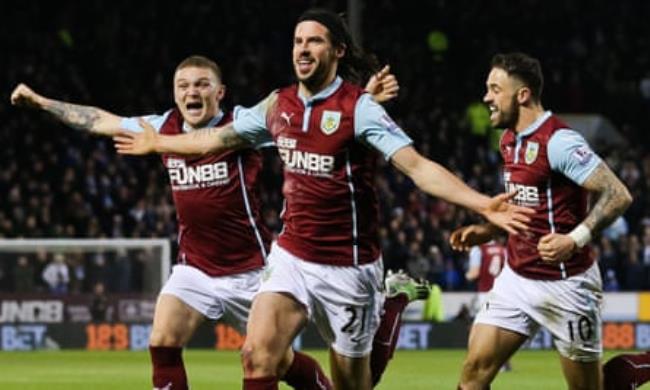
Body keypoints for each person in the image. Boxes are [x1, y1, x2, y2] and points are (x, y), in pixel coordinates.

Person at [112, 10, 532, 390]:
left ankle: (393, 304)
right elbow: (214, 137)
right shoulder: (279, 104)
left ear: (336, 50)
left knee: (354, 384)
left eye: (313, 40)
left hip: (349, 266)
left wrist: (480, 202)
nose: (302, 48)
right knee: (257, 356)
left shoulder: (360, 109)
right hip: (291, 256)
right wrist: (159, 141)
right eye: (297, 41)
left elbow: (417, 167)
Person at [11, 54, 420, 389]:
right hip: (196, 268)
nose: (192, 91)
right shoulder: (161, 127)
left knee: (278, 363)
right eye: (184, 85)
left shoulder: (242, 125)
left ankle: (388, 310)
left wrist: (363, 99)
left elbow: (312, 125)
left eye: (202, 84)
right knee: (162, 340)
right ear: (174, 93)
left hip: (253, 272)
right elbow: (102, 121)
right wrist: (42, 103)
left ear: (220, 92)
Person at [450, 52, 633, 390]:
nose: (486, 98)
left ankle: (635, 370)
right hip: (516, 279)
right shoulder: (508, 139)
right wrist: (488, 230)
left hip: (568, 284)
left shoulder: (560, 141)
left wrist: (574, 239)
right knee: (473, 375)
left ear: (522, 95)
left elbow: (618, 194)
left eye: (494, 89)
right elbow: (527, 206)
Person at [464, 236, 506, 316]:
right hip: (500, 294)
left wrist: (466, 276)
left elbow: (474, 273)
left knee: (484, 323)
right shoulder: (502, 249)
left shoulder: (478, 249)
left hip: (485, 293)